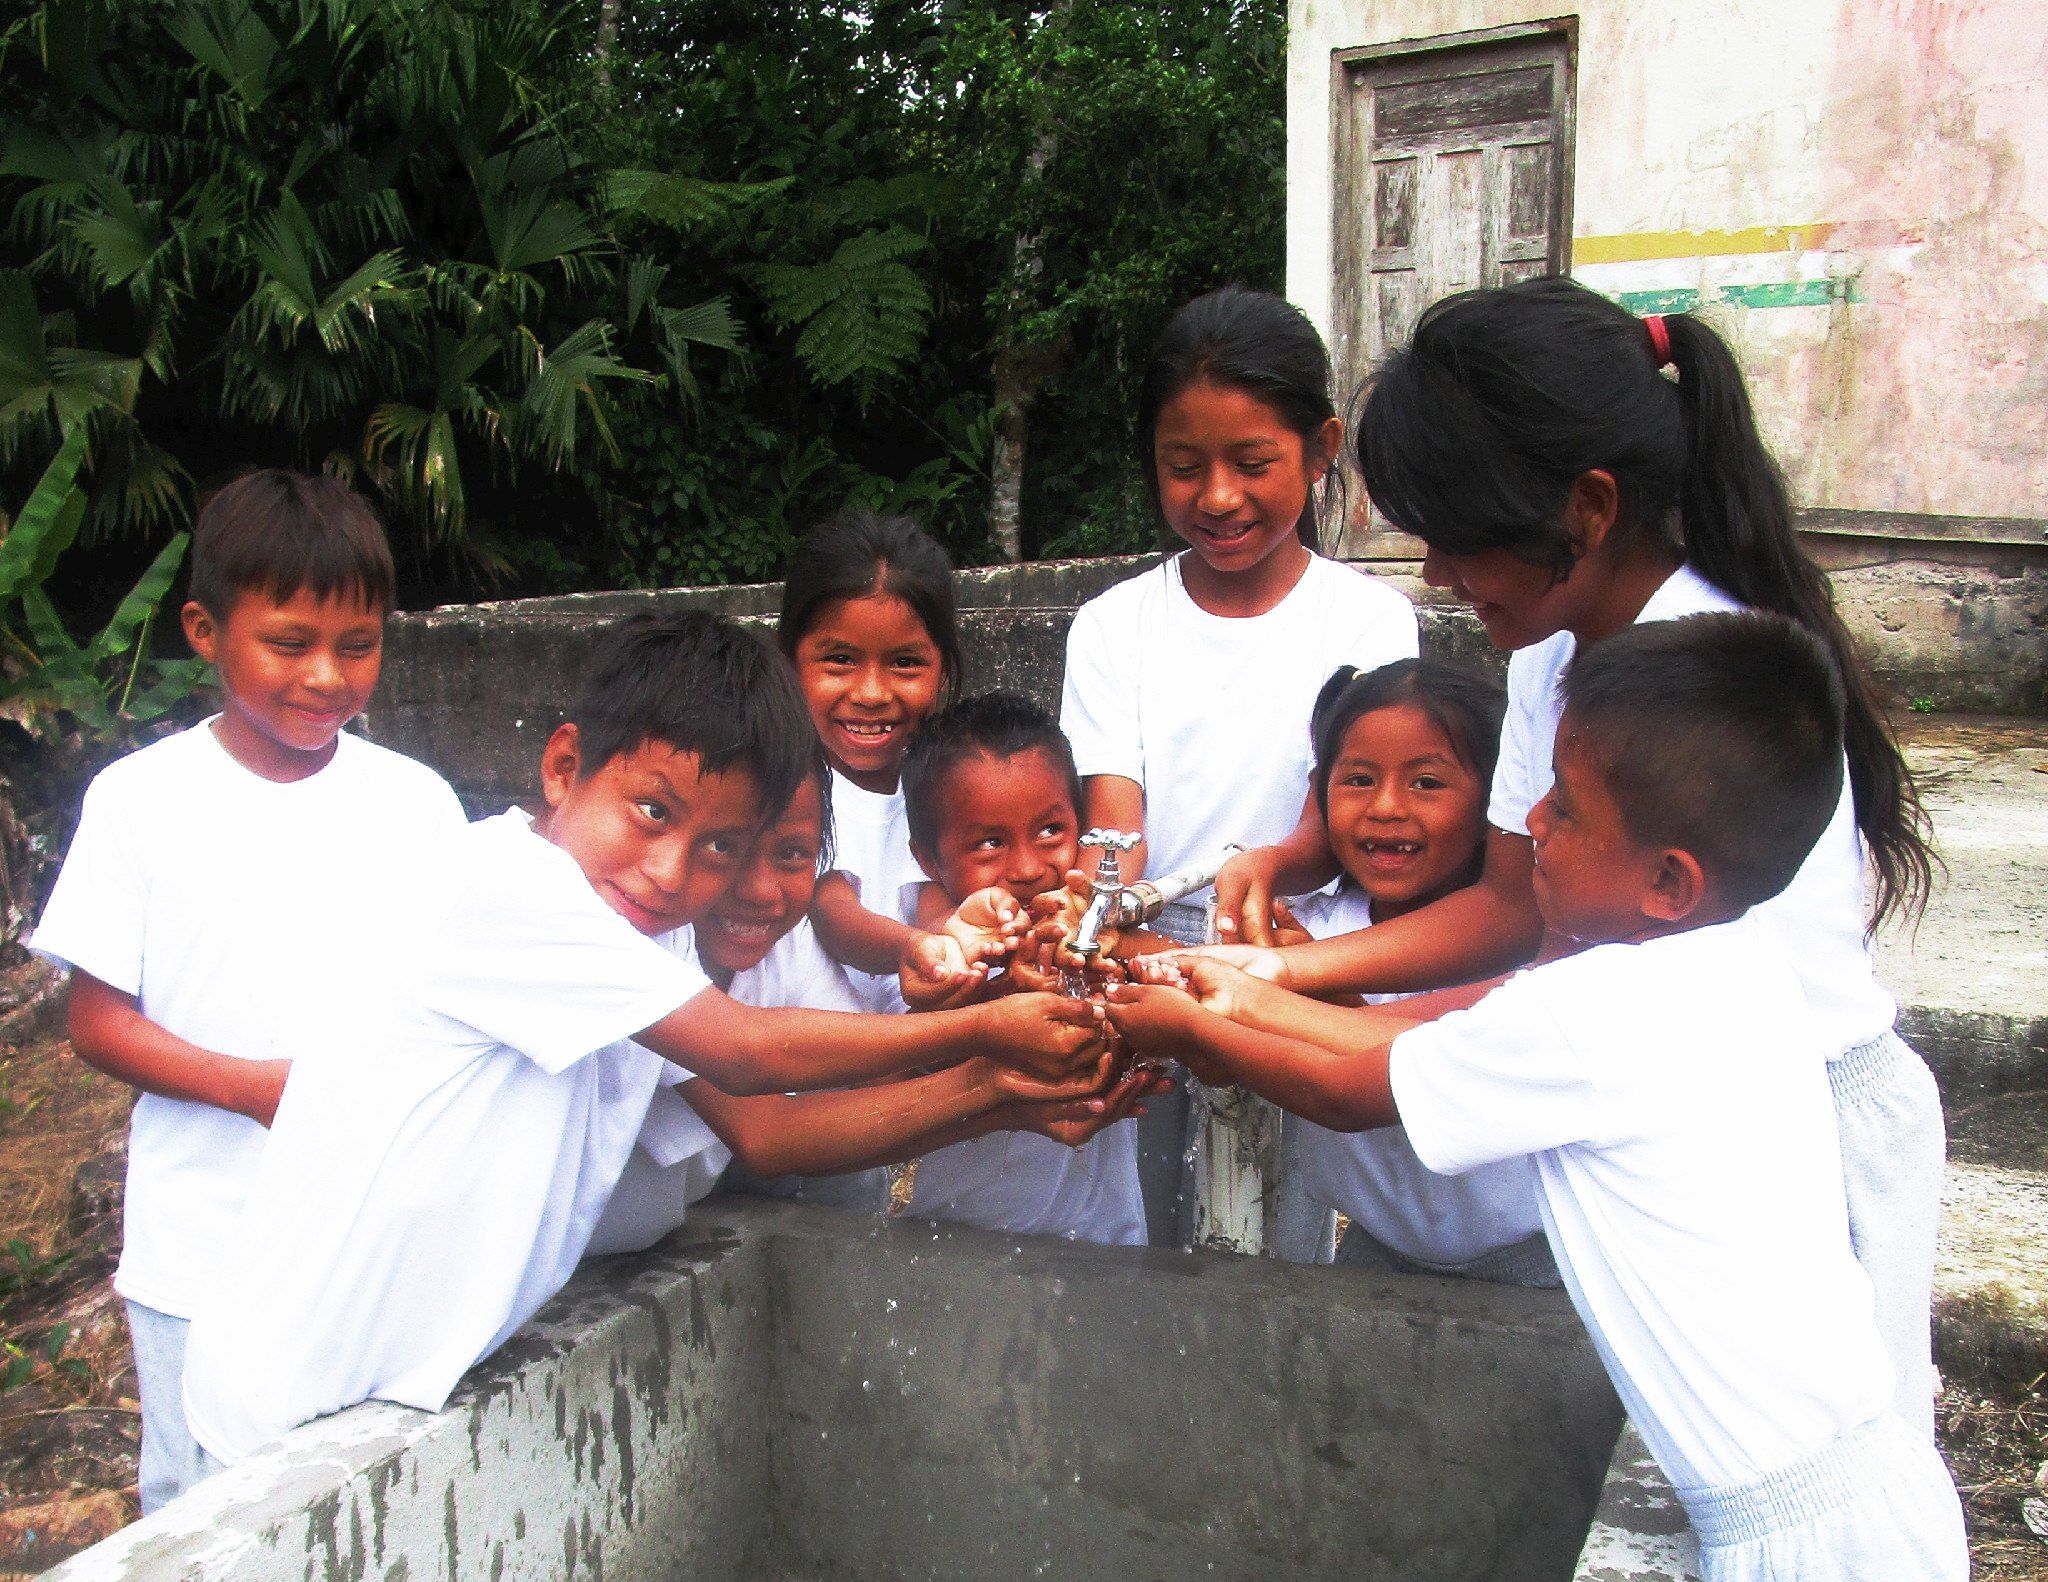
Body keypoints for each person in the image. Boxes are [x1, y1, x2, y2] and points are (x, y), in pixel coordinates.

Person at [1209, 279, 1943, 1435]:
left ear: (1586, 509)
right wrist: (1282, 973)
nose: (1435, 574)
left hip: (1793, 1129)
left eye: (1456, 536)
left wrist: (1240, 1006)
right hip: (1672, 1116)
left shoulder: (1687, 687)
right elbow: (1511, 906)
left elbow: (1535, 985)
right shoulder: (1551, 649)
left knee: (1789, 1461)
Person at [1111, 614, 1968, 1582]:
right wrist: (1246, 992)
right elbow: (1424, 1044)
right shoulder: (1736, 964)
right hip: (1871, 1484)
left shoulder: (1595, 1010)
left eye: (1562, 807)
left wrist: (1193, 1028)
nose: (1533, 826)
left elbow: (1354, 1090)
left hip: (1800, 1541)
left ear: (1667, 881)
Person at [177, 613, 1114, 1468]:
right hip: (286, 1409)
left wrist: (1005, 1091)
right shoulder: (510, 886)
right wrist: (988, 1029)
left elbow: (767, 1128)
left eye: (721, 846)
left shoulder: (641, 943)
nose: (671, 872)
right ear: (563, 767)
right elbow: (750, 1051)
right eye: (653, 812)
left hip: (385, 1406)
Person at [29, 470, 466, 1512]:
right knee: (205, 1518)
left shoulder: (415, 805)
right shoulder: (140, 801)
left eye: (357, 645)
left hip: (375, 1249)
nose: (325, 675)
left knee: (365, 1505)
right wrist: (254, 1089)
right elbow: (98, 1023)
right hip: (202, 1253)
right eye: (290, 642)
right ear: (205, 630)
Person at [1058, 284, 1418, 1247]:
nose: (1217, 497)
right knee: (1144, 1220)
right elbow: (1114, 829)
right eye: (1184, 467)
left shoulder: (1368, 621)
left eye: (1252, 463)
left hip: (1297, 961)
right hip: (1147, 961)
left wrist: (1261, 897)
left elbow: (1342, 818)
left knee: (1279, 1232)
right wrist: (1099, 917)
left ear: (1321, 448)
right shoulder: (1115, 626)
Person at [590, 750, 1149, 1254]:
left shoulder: (788, 947)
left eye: (791, 855)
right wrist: (990, 1044)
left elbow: (879, 1084)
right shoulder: (630, 933)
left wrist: (1012, 1072)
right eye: (725, 847)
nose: (760, 890)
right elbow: (765, 1128)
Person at [1282, 659, 1553, 1284]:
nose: (1385, 808)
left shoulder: (1526, 951)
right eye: (1358, 780)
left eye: (1426, 783)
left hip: (1538, 1263)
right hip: (1376, 1251)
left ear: (1496, 806)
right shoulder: (1310, 928)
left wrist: (1311, 986)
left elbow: (1412, 1069)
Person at [890, 693, 1158, 1245]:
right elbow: (915, 1063)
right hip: (962, 1243)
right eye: (990, 843)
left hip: (1108, 1244)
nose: (1030, 868)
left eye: (1050, 831)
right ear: (928, 859)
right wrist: (999, 992)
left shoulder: (1100, 939)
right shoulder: (942, 957)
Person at [778, 510, 988, 1008]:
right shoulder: (786, 790)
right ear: (789, 660)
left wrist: (965, 935)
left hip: (922, 1038)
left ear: (943, 668)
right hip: (811, 1045)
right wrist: (917, 947)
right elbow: (835, 915)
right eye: (840, 660)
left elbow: (934, 905)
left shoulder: (948, 787)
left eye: (905, 663)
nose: (871, 694)